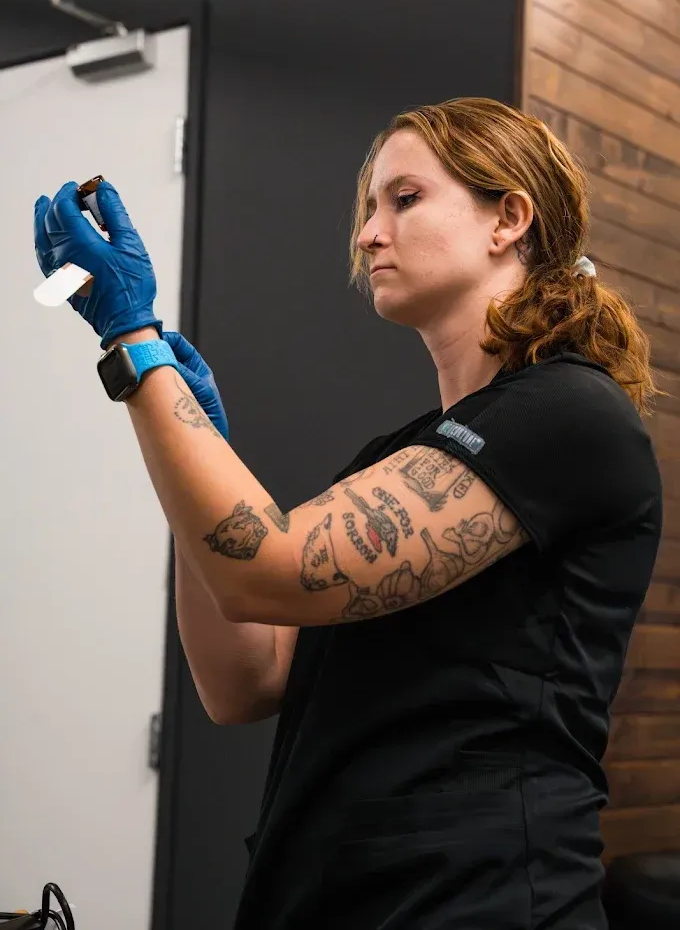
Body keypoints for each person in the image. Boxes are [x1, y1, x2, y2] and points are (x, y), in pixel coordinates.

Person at [34, 96, 662, 929]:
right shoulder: (400, 455)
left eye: (404, 199)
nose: (368, 235)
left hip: (475, 905)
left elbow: (268, 569)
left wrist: (137, 348)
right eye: (370, 208)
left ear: (508, 219)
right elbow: (243, 680)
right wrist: (187, 435)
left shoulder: (568, 413)